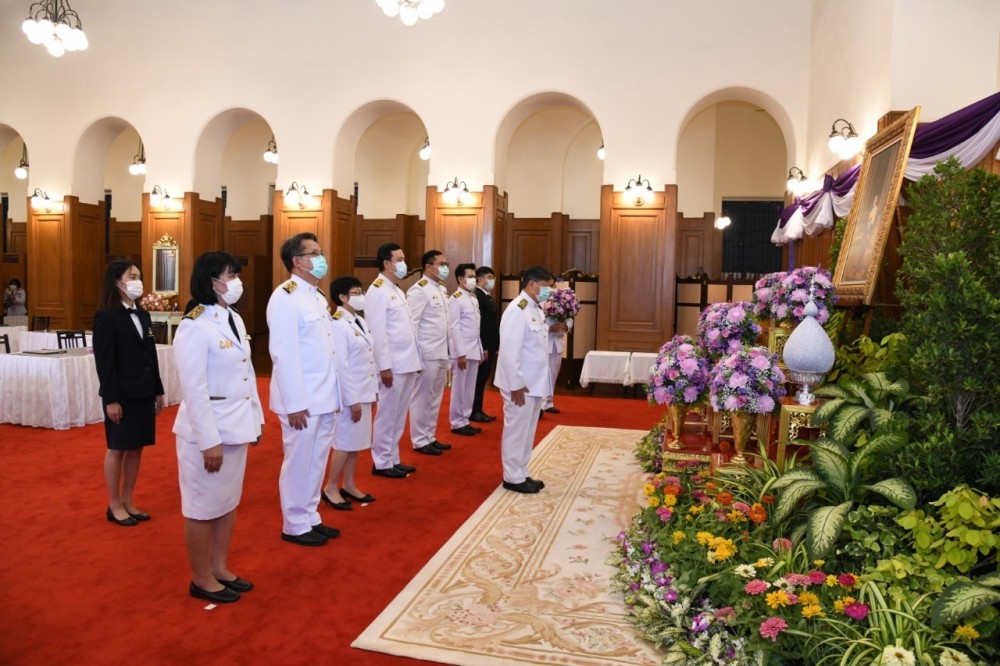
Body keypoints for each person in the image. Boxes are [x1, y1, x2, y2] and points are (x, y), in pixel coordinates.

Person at [172, 251, 264, 604]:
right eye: (231, 275)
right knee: (202, 507)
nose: (237, 281)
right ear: (212, 282)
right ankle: (201, 577)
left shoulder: (233, 318)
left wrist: (255, 420)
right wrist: (207, 441)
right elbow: (194, 389)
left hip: (236, 427)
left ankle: (220, 567)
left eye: (237, 274)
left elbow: (247, 374)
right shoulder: (194, 325)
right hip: (207, 433)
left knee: (227, 503)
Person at [267, 233, 342, 547]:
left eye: (321, 252)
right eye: (314, 253)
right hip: (303, 400)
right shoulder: (285, 297)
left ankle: (310, 515)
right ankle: (294, 523)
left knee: (317, 459)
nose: (321, 258)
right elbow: (283, 354)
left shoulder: (316, 295)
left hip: (324, 395)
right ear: (297, 261)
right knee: (299, 461)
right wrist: (295, 403)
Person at [92, 261, 165, 526]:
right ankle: (114, 504)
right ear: (117, 282)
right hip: (121, 394)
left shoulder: (142, 314)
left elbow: (151, 354)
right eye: (131, 276)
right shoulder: (106, 316)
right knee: (117, 448)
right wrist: (111, 399)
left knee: (136, 448)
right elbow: (105, 363)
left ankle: (128, 499)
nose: (137, 281)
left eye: (139, 276)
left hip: (143, 391)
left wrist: (157, 390)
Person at [494, 265, 554, 494]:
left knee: (528, 431)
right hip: (520, 385)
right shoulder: (517, 310)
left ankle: (521, 471)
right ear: (532, 284)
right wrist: (516, 384)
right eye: (546, 285)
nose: (549, 290)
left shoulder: (535, 309)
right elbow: (510, 351)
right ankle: (512, 477)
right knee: (516, 430)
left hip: (534, 383)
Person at [365, 242, 423, 478]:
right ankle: (381, 461)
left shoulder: (397, 290)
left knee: (399, 414)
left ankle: (393, 457)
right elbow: (377, 333)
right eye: (399, 260)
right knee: (387, 414)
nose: (403, 264)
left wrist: (416, 360)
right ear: (386, 263)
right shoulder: (377, 291)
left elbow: (407, 329)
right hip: (393, 364)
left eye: (403, 259)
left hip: (407, 362)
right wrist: (384, 367)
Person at [321, 276, 377, 510]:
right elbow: (341, 365)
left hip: (365, 390)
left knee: (357, 442)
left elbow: (369, 357)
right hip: (350, 394)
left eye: (361, 291)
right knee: (344, 442)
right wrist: (352, 400)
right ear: (342, 297)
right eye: (356, 292)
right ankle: (331, 487)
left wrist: (373, 391)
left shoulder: (359, 320)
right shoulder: (337, 323)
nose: (361, 296)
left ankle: (349, 484)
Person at [408, 250, 461, 448]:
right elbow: (412, 324)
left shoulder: (441, 289)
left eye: (446, 264)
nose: (445, 267)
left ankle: (429, 436)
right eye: (441, 264)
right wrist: (415, 356)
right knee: (422, 398)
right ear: (428, 267)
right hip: (426, 352)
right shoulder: (418, 290)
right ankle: (419, 440)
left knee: (435, 397)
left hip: (441, 351)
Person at [448, 263, 484, 435]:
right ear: (460, 279)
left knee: (470, 387)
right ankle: (456, 422)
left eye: (474, 276)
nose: (473, 279)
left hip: (474, 349)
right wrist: (460, 353)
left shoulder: (473, 298)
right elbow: (454, 328)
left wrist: (480, 349)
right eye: (470, 277)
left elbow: (476, 328)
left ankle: (465, 418)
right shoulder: (455, 299)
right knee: (459, 388)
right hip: (462, 351)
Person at [471, 266, 499, 423]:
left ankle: (478, 409)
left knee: (483, 378)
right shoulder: (477, 296)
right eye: (489, 277)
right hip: (484, 345)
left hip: (491, 344)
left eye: (493, 278)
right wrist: (484, 346)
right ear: (480, 279)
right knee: (479, 379)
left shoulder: (487, 296)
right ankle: (474, 411)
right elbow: (479, 325)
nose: (492, 280)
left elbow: (492, 323)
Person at [542, 277, 573, 416]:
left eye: (552, 284)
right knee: (543, 374)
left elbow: (569, 317)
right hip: (545, 341)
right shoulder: (538, 301)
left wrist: (566, 326)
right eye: (546, 284)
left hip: (558, 341)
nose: (550, 288)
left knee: (554, 372)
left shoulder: (562, 299)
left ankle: (549, 402)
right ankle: (541, 403)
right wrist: (549, 328)